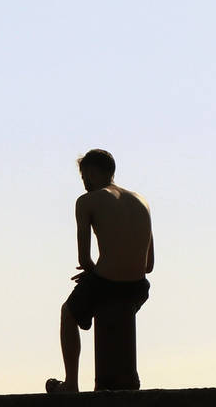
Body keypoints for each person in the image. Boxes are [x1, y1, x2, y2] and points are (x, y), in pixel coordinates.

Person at [45, 149, 154, 393]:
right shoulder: (142, 201)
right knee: (112, 312)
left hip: (107, 282)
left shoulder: (87, 201)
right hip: (138, 286)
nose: (84, 182)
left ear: (92, 172)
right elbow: (149, 264)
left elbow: (84, 259)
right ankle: (120, 379)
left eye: (84, 176)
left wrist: (96, 272)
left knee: (68, 313)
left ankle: (71, 383)